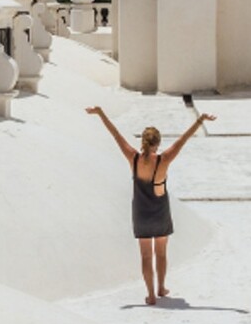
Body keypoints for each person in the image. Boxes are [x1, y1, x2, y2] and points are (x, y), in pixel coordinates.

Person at [84, 106, 217, 305]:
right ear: (158, 143)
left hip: (141, 212)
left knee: (146, 255)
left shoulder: (133, 158)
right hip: (160, 210)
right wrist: (201, 120)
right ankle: (161, 287)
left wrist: (101, 113)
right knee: (161, 252)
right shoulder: (164, 159)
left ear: (143, 142)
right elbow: (182, 140)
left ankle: (151, 295)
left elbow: (116, 135)